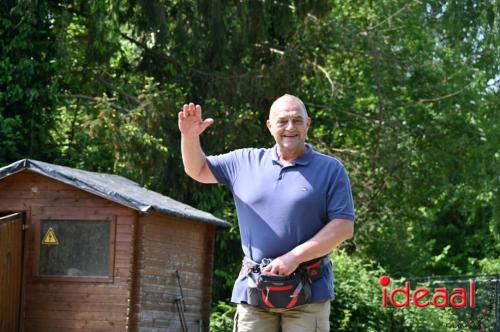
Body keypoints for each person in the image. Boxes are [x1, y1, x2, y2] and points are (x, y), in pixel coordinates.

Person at [178, 94, 355, 332]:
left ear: (308, 124)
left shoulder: (331, 169)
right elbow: (197, 170)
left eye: (297, 120)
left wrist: (294, 257)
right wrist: (189, 138)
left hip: (310, 292)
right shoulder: (244, 162)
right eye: (282, 121)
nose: (290, 127)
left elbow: (343, 226)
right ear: (270, 126)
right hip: (254, 291)